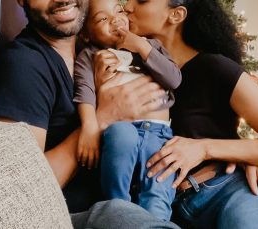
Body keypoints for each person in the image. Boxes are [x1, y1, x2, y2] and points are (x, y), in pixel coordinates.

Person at [92, 0, 258, 228]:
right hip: (160, 208)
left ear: (176, 15)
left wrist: (205, 148)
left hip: (224, 191)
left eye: (142, 0)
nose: (127, 7)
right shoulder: (119, 67)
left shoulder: (215, 68)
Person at [0, 0, 180, 228]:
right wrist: (103, 118)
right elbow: (17, 188)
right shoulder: (25, 65)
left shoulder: (91, 54)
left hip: (133, 190)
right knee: (120, 213)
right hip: (77, 213)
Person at [73, 0, 181, 220]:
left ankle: (156, 222)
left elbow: (173, 79)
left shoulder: (151, 46)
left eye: (119, 11)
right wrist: (89, 126)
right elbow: (84, 92)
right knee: (122, 138)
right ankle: (119, 212)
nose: (115, 20)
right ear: (86, 34)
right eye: (103, 19)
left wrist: (141, 46)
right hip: (121, 127)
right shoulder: (90, 56)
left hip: (159, 134)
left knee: (158, 191)